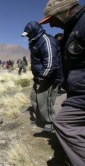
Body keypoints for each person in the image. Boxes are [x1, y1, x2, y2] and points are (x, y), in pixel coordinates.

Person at [40, 0, 85, 165]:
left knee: (65, 123)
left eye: (51, 19)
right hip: (76, 90)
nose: (51, 25)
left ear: (61, 12)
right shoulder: (72, 28)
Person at [21, 21, 61, 132]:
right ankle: (40, 119)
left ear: (34, 31)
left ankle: (49, 122)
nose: (28, 36)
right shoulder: (35, 41)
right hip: (39, 77)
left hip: (48, 78)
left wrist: (43, 76)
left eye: (29, 34)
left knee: (44, 101)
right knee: (34, 98)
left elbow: (50, 61)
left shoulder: (47, 40)